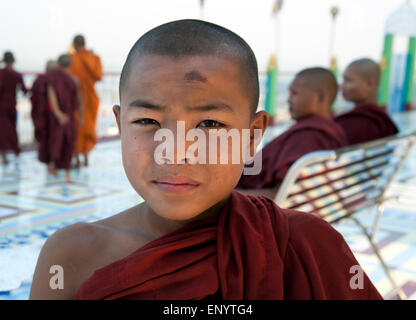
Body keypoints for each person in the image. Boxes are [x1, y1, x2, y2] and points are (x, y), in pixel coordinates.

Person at [30, 20, 382, 300]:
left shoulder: (304, 244)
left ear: (252, 135)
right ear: (121, 126)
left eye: (210, 124)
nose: (175, 150)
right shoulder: (70, 256)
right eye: (147, 122)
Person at [236, 68, 348, 199]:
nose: (288, 100)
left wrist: (223, 198)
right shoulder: (331, 129)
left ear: (320, 98)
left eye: (294, 94)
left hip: (261, 209)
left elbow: (281, 196)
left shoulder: (308, 136)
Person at [334, 58, 399, 145]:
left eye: (348, 80)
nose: (342, 86)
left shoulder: (357, 124)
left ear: (370, 84)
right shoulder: (383, 120)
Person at [46, 54, 82, 182]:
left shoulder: (53, 80)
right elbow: (80, 101)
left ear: (58, 65)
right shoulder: (74, 80)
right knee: (69, 144)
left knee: (56, 143)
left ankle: (52, 166)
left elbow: (52, 98)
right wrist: (81, 117)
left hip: (59, 118)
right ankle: (66, 174)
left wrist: (59, 114)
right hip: (70, 117)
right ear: (70, 64)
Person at [68, 34, 102, 168]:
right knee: (88, 127)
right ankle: (86, 157)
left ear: (74, 44)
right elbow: (98, 76)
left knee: (76, 128)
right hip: (89, 99)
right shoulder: (93, 58)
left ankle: (76, 158)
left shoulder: (71, 59)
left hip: (74, 99)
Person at [0, 51, 28, 165]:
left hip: (1, 105)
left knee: (2, 130)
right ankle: (16, 152)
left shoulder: (1, 73)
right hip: (12, 105)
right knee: (12, 128)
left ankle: (4, 156)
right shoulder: (17, 75)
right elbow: (25, 91)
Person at [30, 60, 57, 170]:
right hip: (53, 116)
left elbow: (32, 98)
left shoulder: (38, 80)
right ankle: (53, 163)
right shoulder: (56, 80)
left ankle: (48, 163)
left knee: (45, 139)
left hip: (40, 115)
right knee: (54, 139)